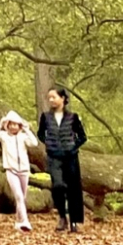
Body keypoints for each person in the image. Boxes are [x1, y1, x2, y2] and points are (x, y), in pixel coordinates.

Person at [38, 87, 87, 232]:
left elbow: (82, 137)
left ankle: (74, 221)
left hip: (70, 157)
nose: (51, 100)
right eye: (49, 98)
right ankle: (62, 216)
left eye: (54, 97)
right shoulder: (45, 117)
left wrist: (73, 147)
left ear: (63, 99)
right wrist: (49, 144)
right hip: (54, 157)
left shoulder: (73, 117)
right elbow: (40, 134)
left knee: (73, 188)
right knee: (58, 186)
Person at [0, 111, 40, 231]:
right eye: (11, 124)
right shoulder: (4, 137)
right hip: (11, 170)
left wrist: (27, 129)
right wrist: (0, 123)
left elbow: (34, 143)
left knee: (22, 198)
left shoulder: (23, 137)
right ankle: (25, 221)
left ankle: (19, 222)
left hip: (24, 170)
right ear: (7, 125)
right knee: (18, 196)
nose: (13, 126)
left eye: (16, 124)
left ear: (19, 126)